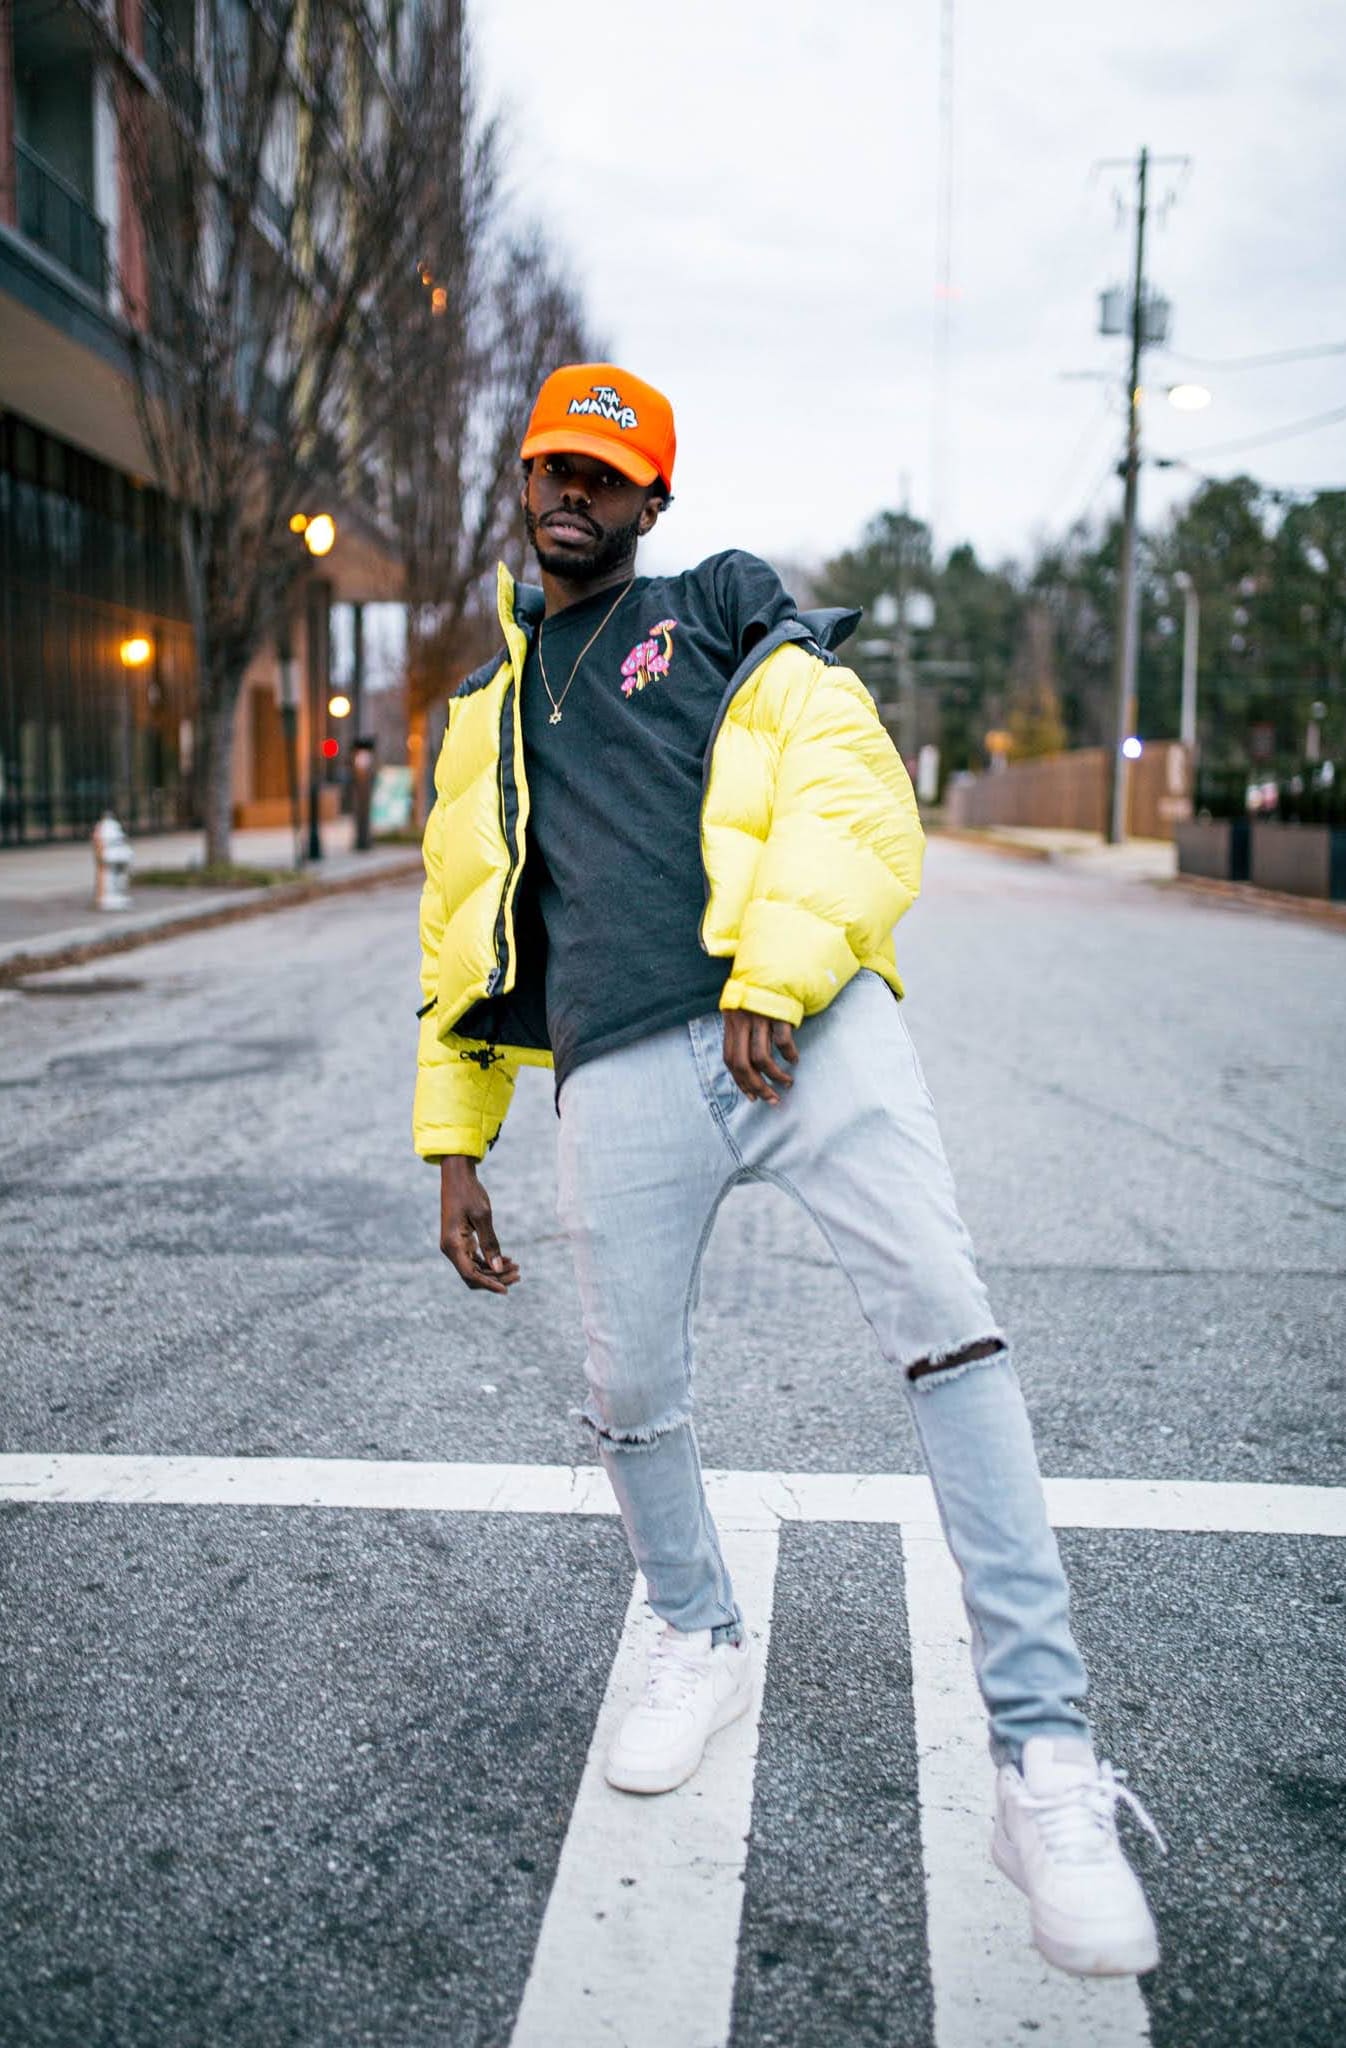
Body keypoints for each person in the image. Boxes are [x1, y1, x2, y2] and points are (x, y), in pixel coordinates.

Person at [413, 363, 1164, 1977]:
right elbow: (454, 933)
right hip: (614, 1065)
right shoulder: (480, 715)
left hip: (800, 1026)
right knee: (628, 1388)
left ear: (653, 502)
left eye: (604, 476)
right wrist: (456, 1141)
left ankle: (1042, 1761)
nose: (571, 493)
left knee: (952, 1335)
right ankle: (694, 1631)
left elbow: (843, 774)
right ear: (522, 486)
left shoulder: (719, 605)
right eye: (551, 467)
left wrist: (780, 964)